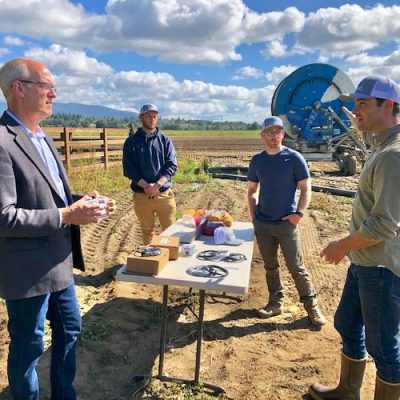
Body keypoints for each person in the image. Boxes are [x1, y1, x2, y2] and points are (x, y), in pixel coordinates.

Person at [0, 58, 116, 400]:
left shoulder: (44, 139)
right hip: (26, 270)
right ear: (19, 89)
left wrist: (88, 202)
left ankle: (64, 394)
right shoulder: (3, 142)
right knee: (30, 343)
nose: (54, 93)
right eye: (46, 86)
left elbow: (55, 197)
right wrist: (67, 215)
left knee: (70, 329)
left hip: (59, 263)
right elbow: (4, 216)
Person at [309, 76, 400, 399]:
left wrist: (341, 245)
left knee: (383, 347)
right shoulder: (384, 146)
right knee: (347, 323)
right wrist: (362, 125)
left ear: (387, 105)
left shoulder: (392, 155)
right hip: (365, 261)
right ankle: (348, 390)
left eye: (362, 103)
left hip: (380, 266)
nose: (355, 109)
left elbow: (384, 225)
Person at [247, 116, 326, 327]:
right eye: (269, 132)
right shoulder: (257, 161)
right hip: (263, 224)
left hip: (286, 224)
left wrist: (298, 214)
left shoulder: (294, 158)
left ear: (283, 134)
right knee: (270, 266)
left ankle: (312, 307)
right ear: (263, 135)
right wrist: (254, 216)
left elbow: (306, 188)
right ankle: (275, 303)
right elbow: (252, 191)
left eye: (278, 131)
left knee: (296, 266)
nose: (274, 136)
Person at [123, 103, 177, 244]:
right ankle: (151, 260)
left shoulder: (165, 141)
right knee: (147, 231)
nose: (152, 119)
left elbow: (171, 166)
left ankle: (170, 259)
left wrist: (157, 185)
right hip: (142, 196)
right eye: (148, 116)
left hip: (164, 195)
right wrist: (146, 186)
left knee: (170, 231)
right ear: (141, 118)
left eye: (155, 116)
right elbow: (129, 169)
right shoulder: (131, 142)